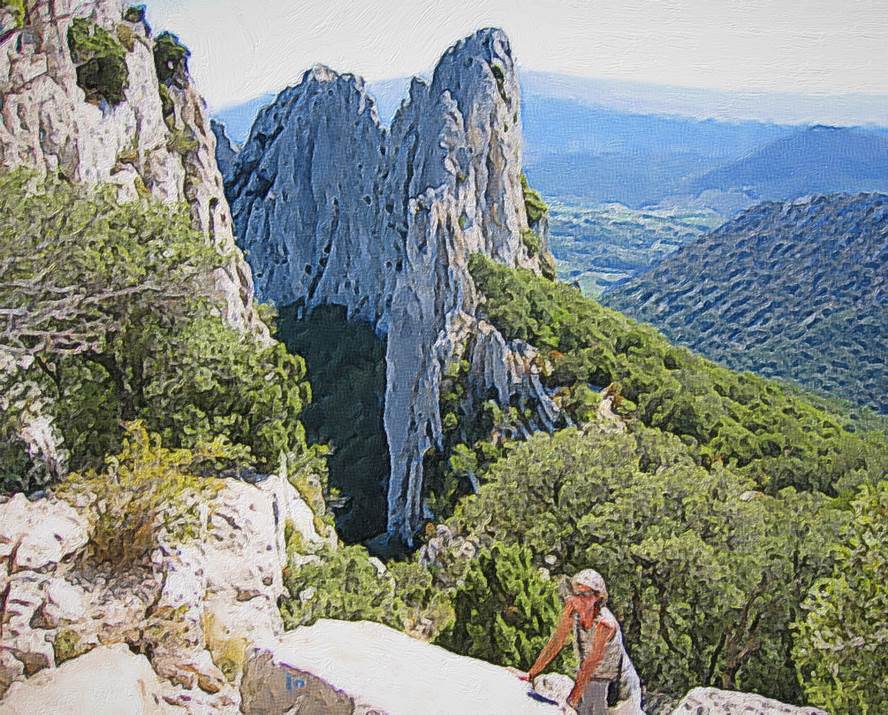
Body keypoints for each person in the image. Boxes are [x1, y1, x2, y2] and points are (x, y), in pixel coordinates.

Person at [519, 569, 634, 714]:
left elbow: (591, 662)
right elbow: (557, 640)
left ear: (597, 597)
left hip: (617, 685)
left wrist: (572, 700)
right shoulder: (573, 610)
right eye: (576, 593)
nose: (579, 599)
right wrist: (531, 673)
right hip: (590, 679)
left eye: (585, 595)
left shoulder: (605, 623)